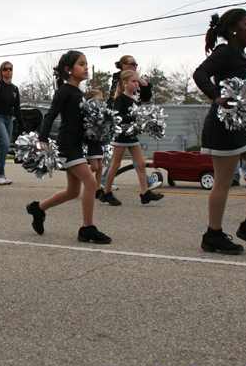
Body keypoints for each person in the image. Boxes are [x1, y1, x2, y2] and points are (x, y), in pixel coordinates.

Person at [192, 9, 246, 255]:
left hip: (242, 126)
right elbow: (200, 73)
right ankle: (212, 235)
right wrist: (217, 96)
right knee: (224, 181)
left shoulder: (243, 55)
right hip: (223, 127)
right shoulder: (225, 51)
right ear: (234, 30)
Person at [26, 51, 111, 244]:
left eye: (86, 64)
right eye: (81, 64)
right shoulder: (64, 91)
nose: (86, 67)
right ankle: (87, 229)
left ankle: (38, 208)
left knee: (73, 192)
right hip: (67, 145)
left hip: (77, 146)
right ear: (68, 69)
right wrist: (43, 139)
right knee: (91, 183)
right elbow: (50, 114)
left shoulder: (80, 94)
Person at [99, 70, 165, 206]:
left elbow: (147, 97)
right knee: (115, 165)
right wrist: (133, 118)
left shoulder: (136, 97)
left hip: (132, 136)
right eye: (133, 81)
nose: (136, 84)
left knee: (141, 164)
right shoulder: (120, 98)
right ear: (125, 83)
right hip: (121, 136)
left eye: (137, 81)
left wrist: (147, 86)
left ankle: (145, 193)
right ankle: (106, 193)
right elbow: (117, 116)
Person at [0, 61, 26, 185]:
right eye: (5, 69)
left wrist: (23, 126)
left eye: (10, 69)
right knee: (5, 143)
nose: (8, 71)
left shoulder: (14, 89)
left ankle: (1, 175)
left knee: (6, 146)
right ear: (1, 71)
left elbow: (17, 109)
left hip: (9, 119)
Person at [83, 89, 106, 199]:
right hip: (90, 139)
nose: (99, 102)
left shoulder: (101, 111)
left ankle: (98, 188)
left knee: (100, 166)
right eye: (97, 99)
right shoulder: (87, 110)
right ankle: (80, 176)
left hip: (98, 139)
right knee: (95, 166)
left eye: (101, 100)